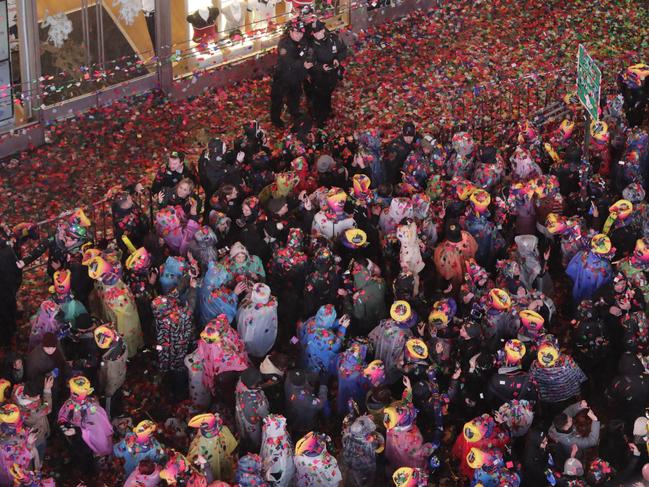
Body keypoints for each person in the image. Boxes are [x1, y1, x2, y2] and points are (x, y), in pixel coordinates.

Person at [270, 19, 312, 128]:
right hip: (282, 76)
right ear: (290, 31)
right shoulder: (284, 43)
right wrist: (304, 64)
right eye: (296, 32)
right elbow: (289, 61)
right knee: (277, 99)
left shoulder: (303, 41)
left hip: (296, 77)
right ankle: (275, 120)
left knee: (295, 96)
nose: (299, 35)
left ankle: (294, 112)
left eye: (301, 33)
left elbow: (307, 52)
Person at [306, 19, 348, 125]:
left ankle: (328, 110)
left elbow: (343, 50)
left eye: (319, 31)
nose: (317, 34)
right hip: (319, 77)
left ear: (323, 30)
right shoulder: (311, 45)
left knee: (328, 93)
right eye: (314, 32)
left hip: (332, 74)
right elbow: (309, 62)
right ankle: (319, 119)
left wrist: (337, 59)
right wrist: (320, 67)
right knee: (319, 98)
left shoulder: (334, 38)